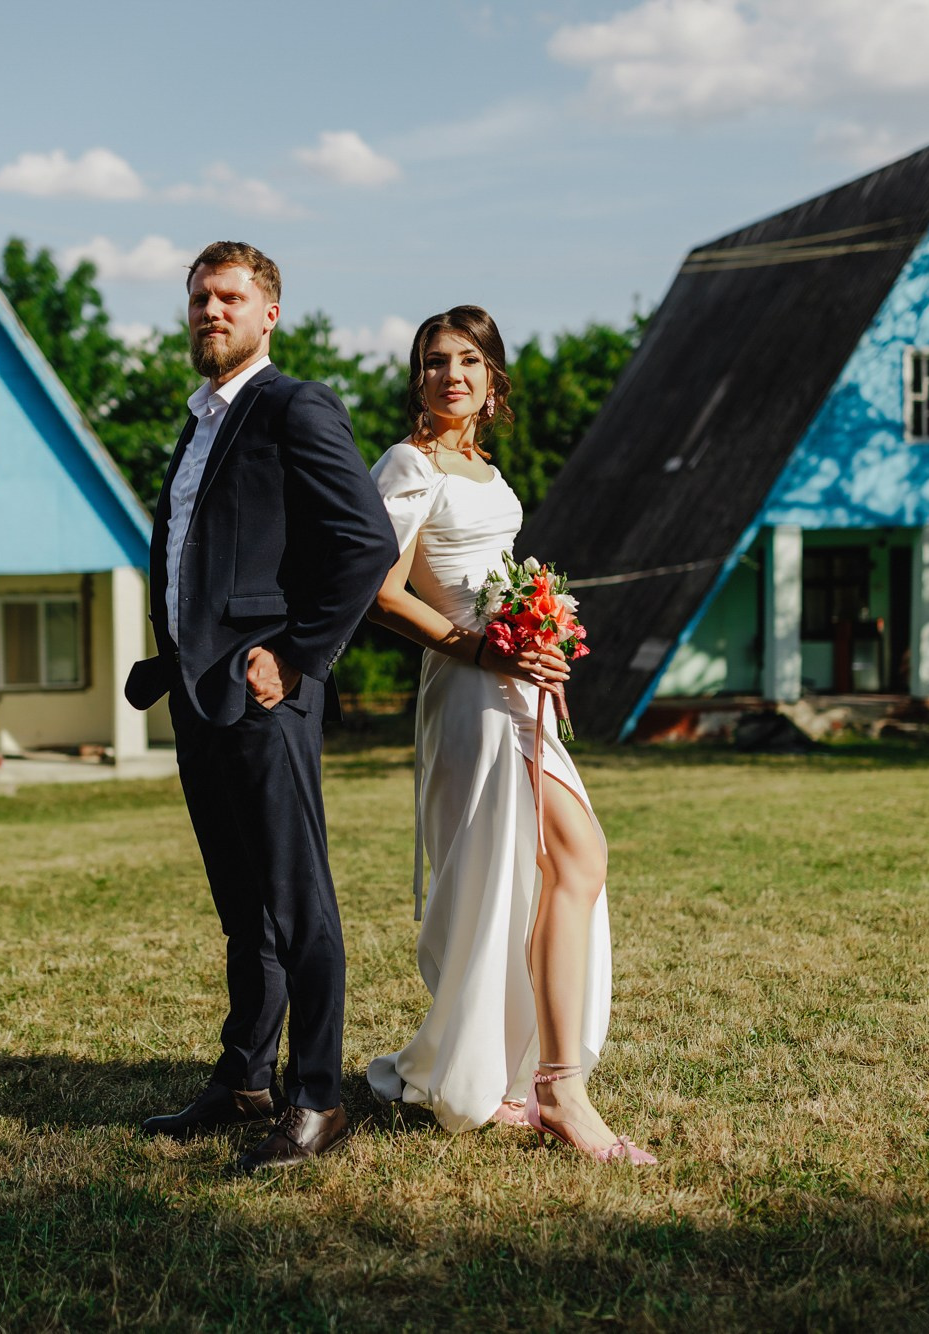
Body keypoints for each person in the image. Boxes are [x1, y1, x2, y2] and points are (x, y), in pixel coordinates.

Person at [125, 241, 396, 1174]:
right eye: (199, 297)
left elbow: (365, 543)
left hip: (265, 694)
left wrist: (299, 653)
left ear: (269, 312)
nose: (211, 311)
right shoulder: (198, 421)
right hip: (198, 698)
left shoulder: (294, 404)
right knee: (242, 907)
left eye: (230, 297)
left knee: (298, 903)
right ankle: (246, 1077)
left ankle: (317, 1098)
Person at [363, 306, 654, 1165]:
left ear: (493, 380)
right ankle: (562, 1090)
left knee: (547, 873)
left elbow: (505, 582)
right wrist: (485, 647)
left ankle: (526, 1073)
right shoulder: (409, 466)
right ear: (419, 380)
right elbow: (382, 593)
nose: (450, 375)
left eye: (467, 361)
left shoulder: (483, 468)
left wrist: (544, 640)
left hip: (517, 691)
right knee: (575, 858)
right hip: (468, 694)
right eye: (433, 362)